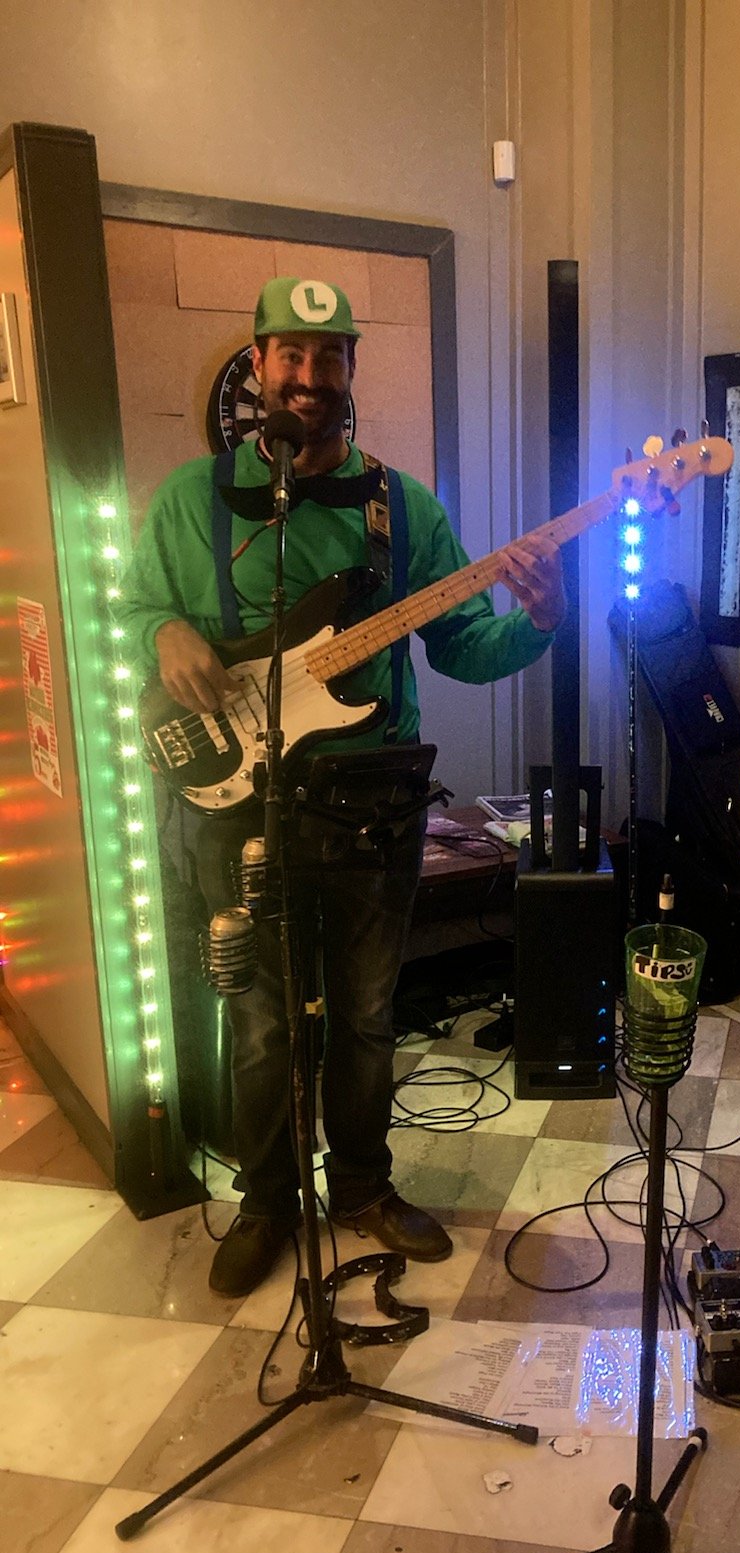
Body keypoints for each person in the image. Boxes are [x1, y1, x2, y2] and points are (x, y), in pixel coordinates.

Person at [118, 276, 565, 1294]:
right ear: (259, 364)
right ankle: (268, 1201)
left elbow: (464, 647)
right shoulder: (191, 498)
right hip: (238, 802)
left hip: (371, 803)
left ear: (352, 369)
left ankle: (361, 1185)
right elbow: (135, 606)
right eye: (291, 354)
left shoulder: (403, 508)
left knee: (365, 1012)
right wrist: (163, 630)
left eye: (330, 357)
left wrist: (539, 622)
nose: (310, 375)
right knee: (262, 1022)